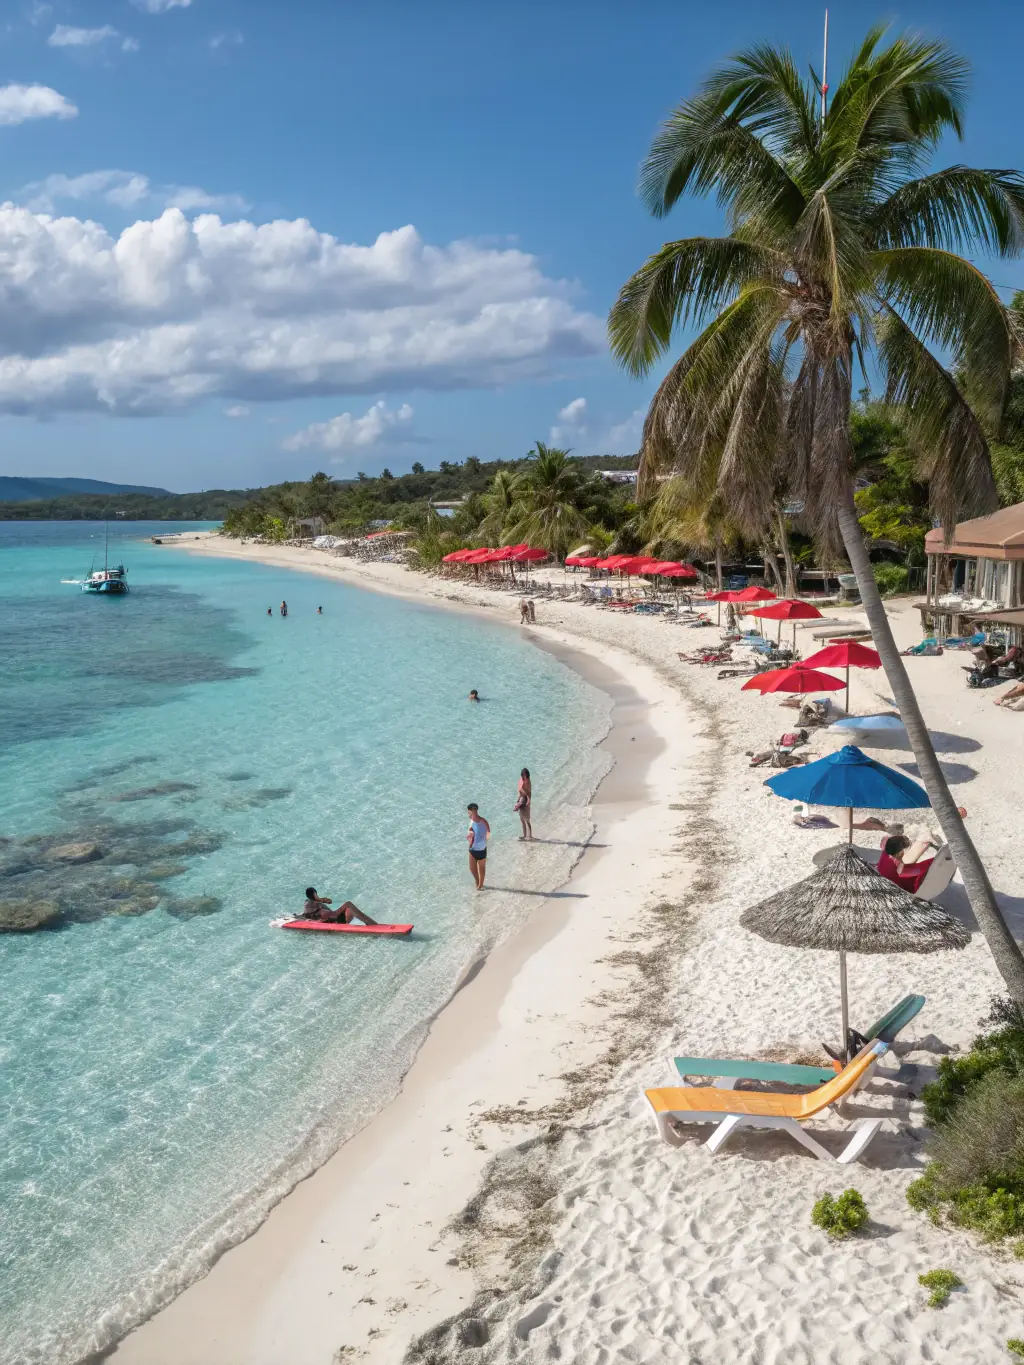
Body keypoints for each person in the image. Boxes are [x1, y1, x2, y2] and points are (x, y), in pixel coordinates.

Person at [303, 886, 376, 925]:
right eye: (315, 894)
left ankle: (348, 924)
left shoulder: (309, 904)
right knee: (348, 904)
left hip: (335, 919)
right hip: (334, 920)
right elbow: (317, 902)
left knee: (349, 908)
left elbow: (307, 914)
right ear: (314, 894)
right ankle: (368, 922)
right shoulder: (312, 903)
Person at [466, 804, 490, 889]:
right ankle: (477, 881)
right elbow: (470, 832)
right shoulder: (471, 821)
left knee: (481, 868)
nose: (468, 814)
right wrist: (470, 835)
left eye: (469, 812)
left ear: (473, 811)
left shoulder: (483, 821)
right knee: (472, 868)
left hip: (482, 849)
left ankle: (480, 884)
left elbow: (488, 832)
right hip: (472, 849)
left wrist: (483, 840)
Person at [515, 767, 533, 840]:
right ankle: (524, 836)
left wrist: (528, 800)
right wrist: (518, 799)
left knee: (527, 820)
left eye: (524, 775)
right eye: (522, 775)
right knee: (522, 819)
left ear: (527, 775)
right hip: (522, 800)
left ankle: (530, 836)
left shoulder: (528, 782)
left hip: (526, 800)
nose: (523, 776)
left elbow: (529, 793)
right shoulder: (522, 780)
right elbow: (521, 791)